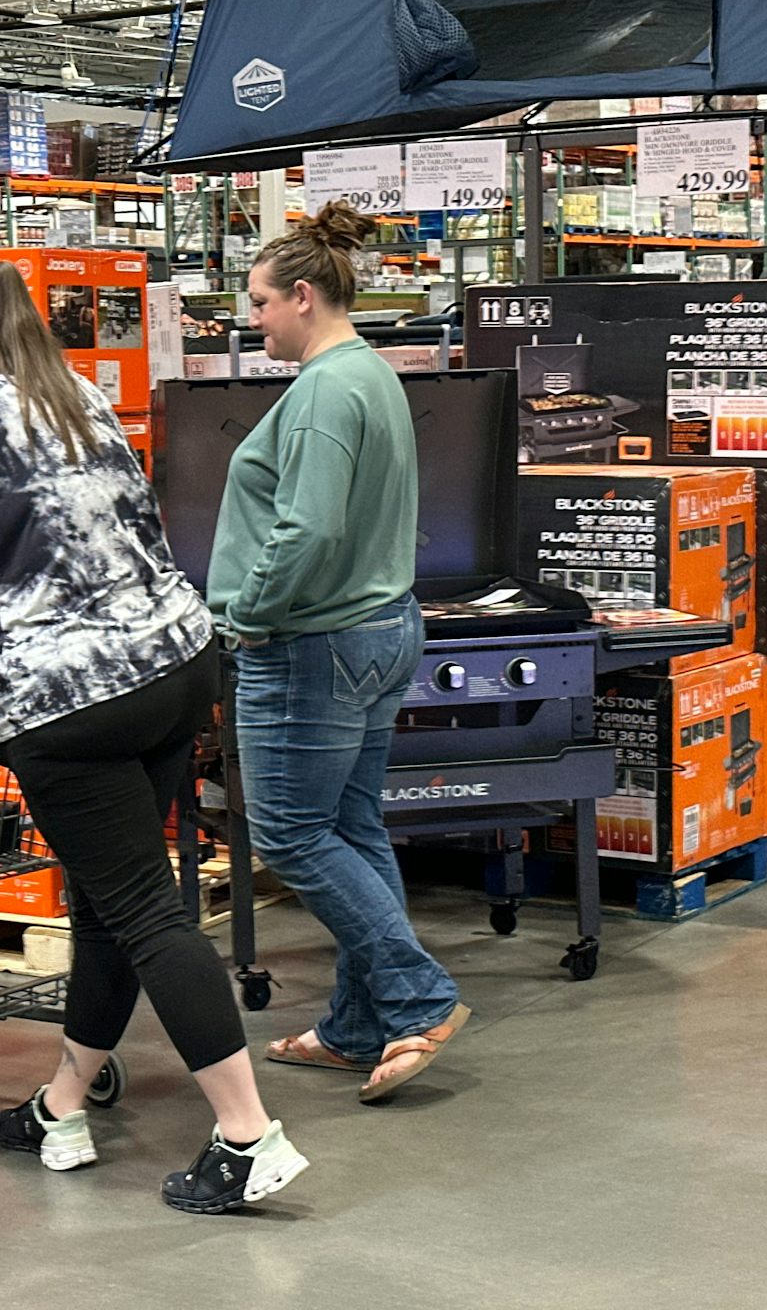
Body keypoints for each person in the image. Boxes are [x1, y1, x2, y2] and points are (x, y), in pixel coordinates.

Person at [0, 258, 309, 1216]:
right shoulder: (78, 396)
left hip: (68, 700)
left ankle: (247, 1139)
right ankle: (62, 1105)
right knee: (113, 905)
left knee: (148, 914)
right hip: (175, 664)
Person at [209, 201, 470, 1104]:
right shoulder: (373, 376)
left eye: (259, 303)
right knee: (354, 830)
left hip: (310, 640)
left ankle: (419, 995)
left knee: (290, 831)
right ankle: (362, 1025)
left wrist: (247, 611)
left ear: (304, 296)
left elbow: (308, 526)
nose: (253, 321)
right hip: (377, 629)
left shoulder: (323, 390)